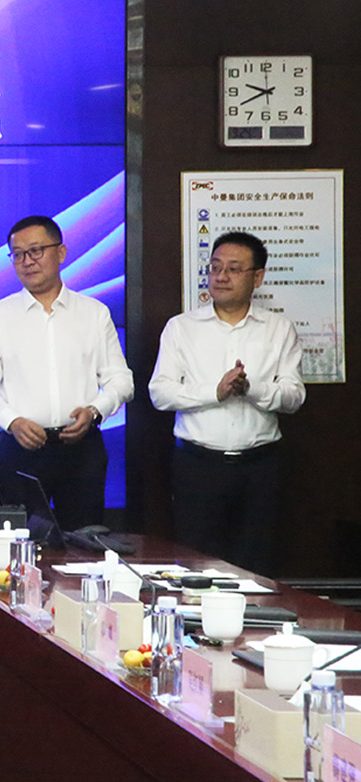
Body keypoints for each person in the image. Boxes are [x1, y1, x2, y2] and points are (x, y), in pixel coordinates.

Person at [148, 231, 304, 574]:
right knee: (196, 564)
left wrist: (253, 388)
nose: (221, 276)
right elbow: (160, 393)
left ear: (257, 277)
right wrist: (215, 391)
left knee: (256, 566)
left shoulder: (279, 329)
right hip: (197, 465)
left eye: (234, 269)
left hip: (260, 466)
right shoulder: (181, 327)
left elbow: (294, 397)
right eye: (215, 267)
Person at [0, 215, 133, 531]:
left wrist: (94, 412)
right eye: (18, 254)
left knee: (84, 540)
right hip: (19, 449)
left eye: (36, 251)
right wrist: (13, 422)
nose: (27, 261)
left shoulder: (93, 313)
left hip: (81, 448)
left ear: (61, 252)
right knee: (15, 542)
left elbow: (121, 380)